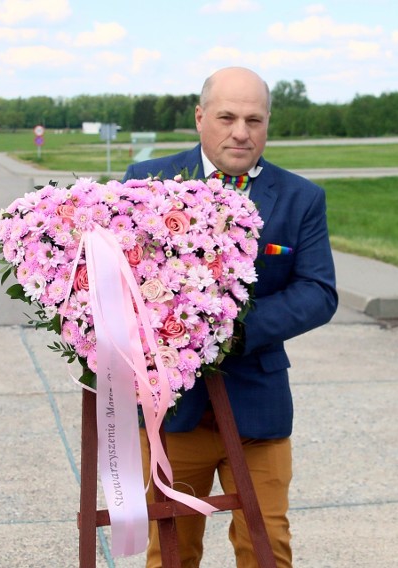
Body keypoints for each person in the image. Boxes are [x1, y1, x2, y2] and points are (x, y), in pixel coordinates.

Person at [123, 66, 338, 568]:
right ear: (200, 118)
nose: (241, 131)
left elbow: (318, 292)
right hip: (174, 413)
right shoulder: (145, 183)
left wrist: (227, 332)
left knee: (267, 548)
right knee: (171, 551)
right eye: (226, 117)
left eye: (254, 119)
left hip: (257, 411)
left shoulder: (301, 198)